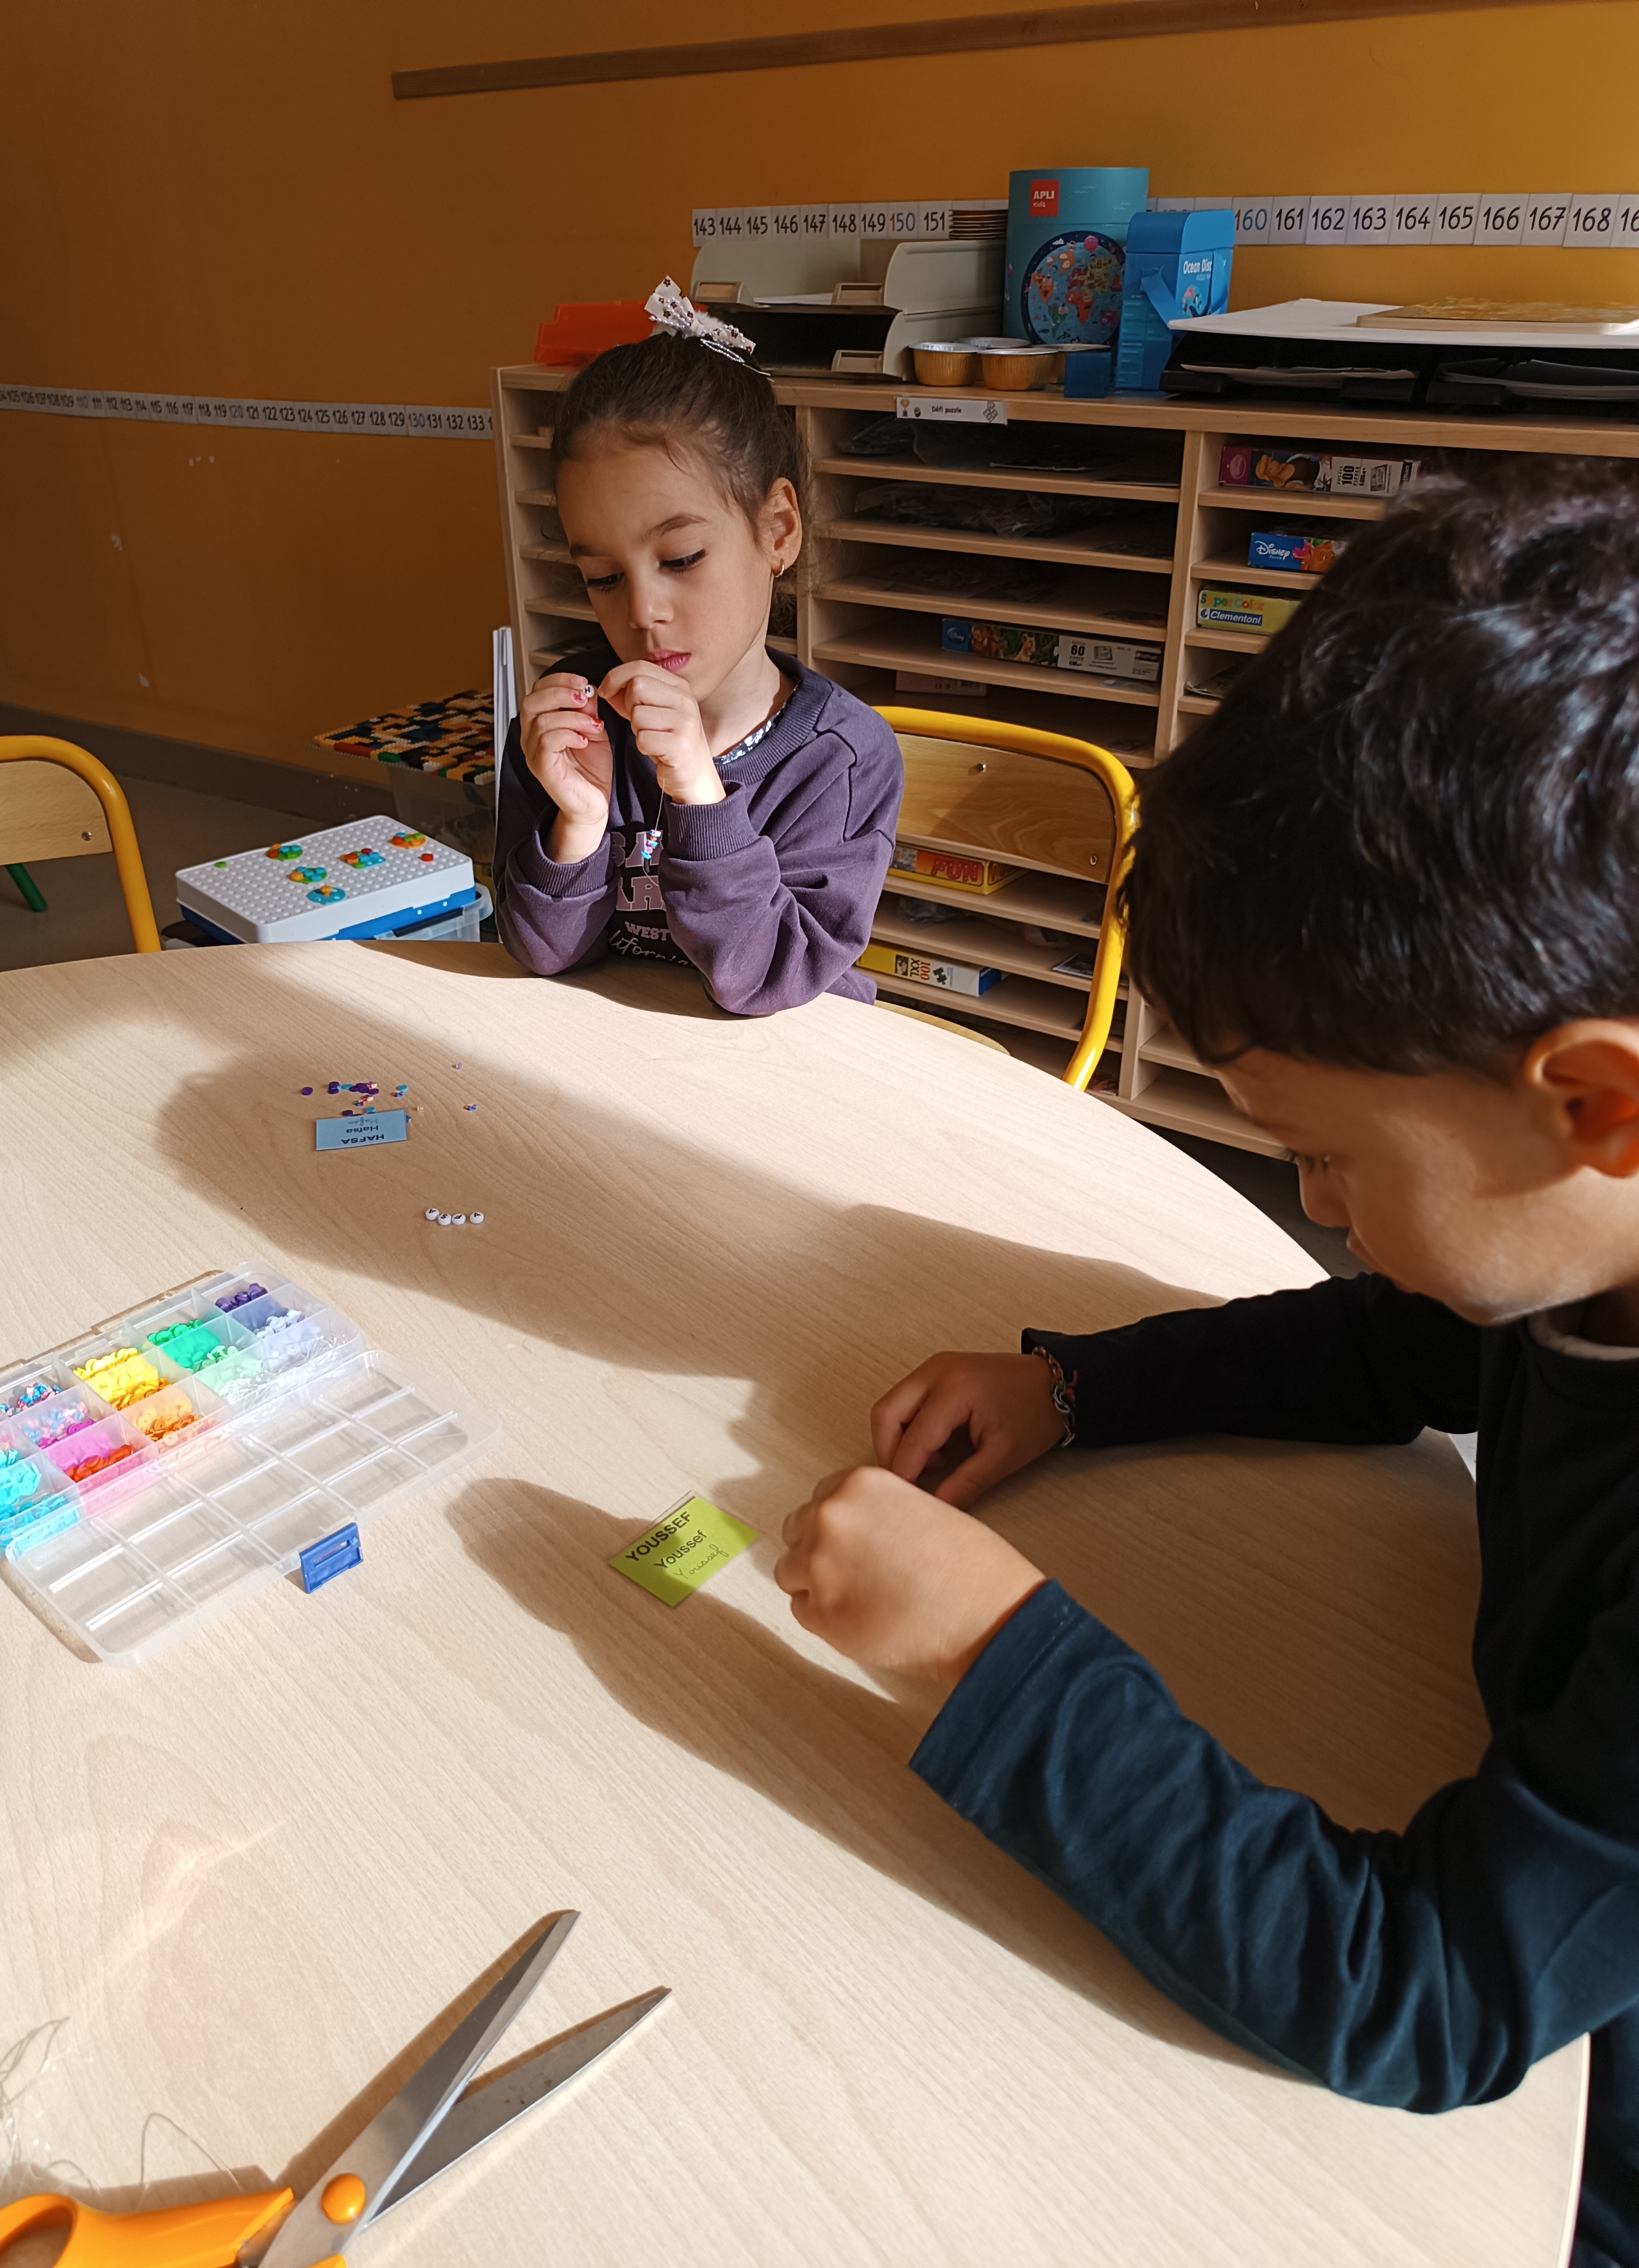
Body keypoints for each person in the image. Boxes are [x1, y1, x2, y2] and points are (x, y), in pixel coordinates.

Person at [775, 460, 1639, 2266]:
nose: (1317, 1211)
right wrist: (1084, 1388)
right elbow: (1403, 1340)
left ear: (1595, 1102)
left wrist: (990, 1649)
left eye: (1327, 1158)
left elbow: (1424, 1989)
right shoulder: (1580, 1247)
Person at [495, 281, 903, 1015]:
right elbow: (540, 954)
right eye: (603, 577)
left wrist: (698, 796)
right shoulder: (578, 725)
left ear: (778, 530)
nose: (642, 612)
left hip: (787, 1061)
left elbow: (769, 981)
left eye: (680, 559)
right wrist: (577, 823)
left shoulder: (843, 759)